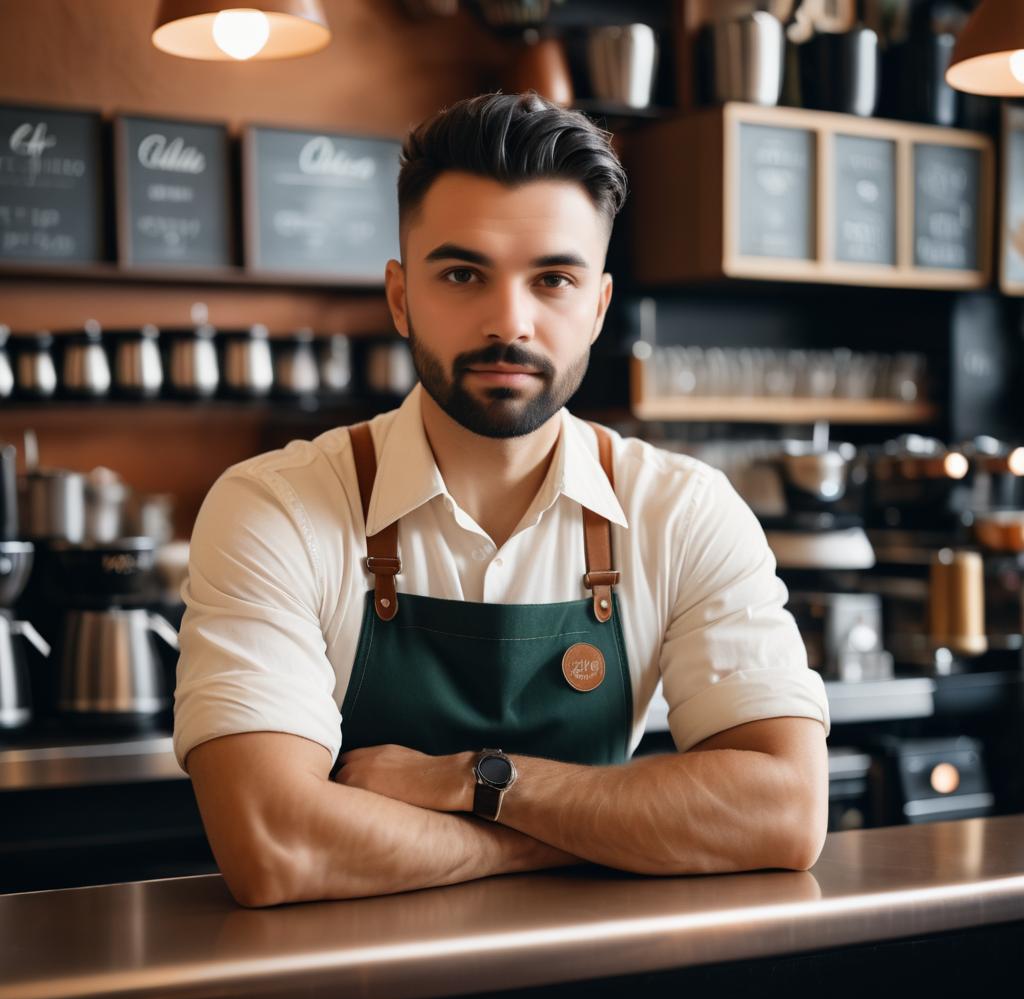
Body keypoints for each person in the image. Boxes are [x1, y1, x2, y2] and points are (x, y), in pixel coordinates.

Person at [175, 92, 831, 909]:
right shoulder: (272, 508)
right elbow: (277, 846)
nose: (508, 321)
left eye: (553, 278)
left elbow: (784, 813)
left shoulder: (683, 511)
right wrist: (582, 835)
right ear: (400, 296)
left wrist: (470, 783)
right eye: (462, 274)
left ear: (597, 306)